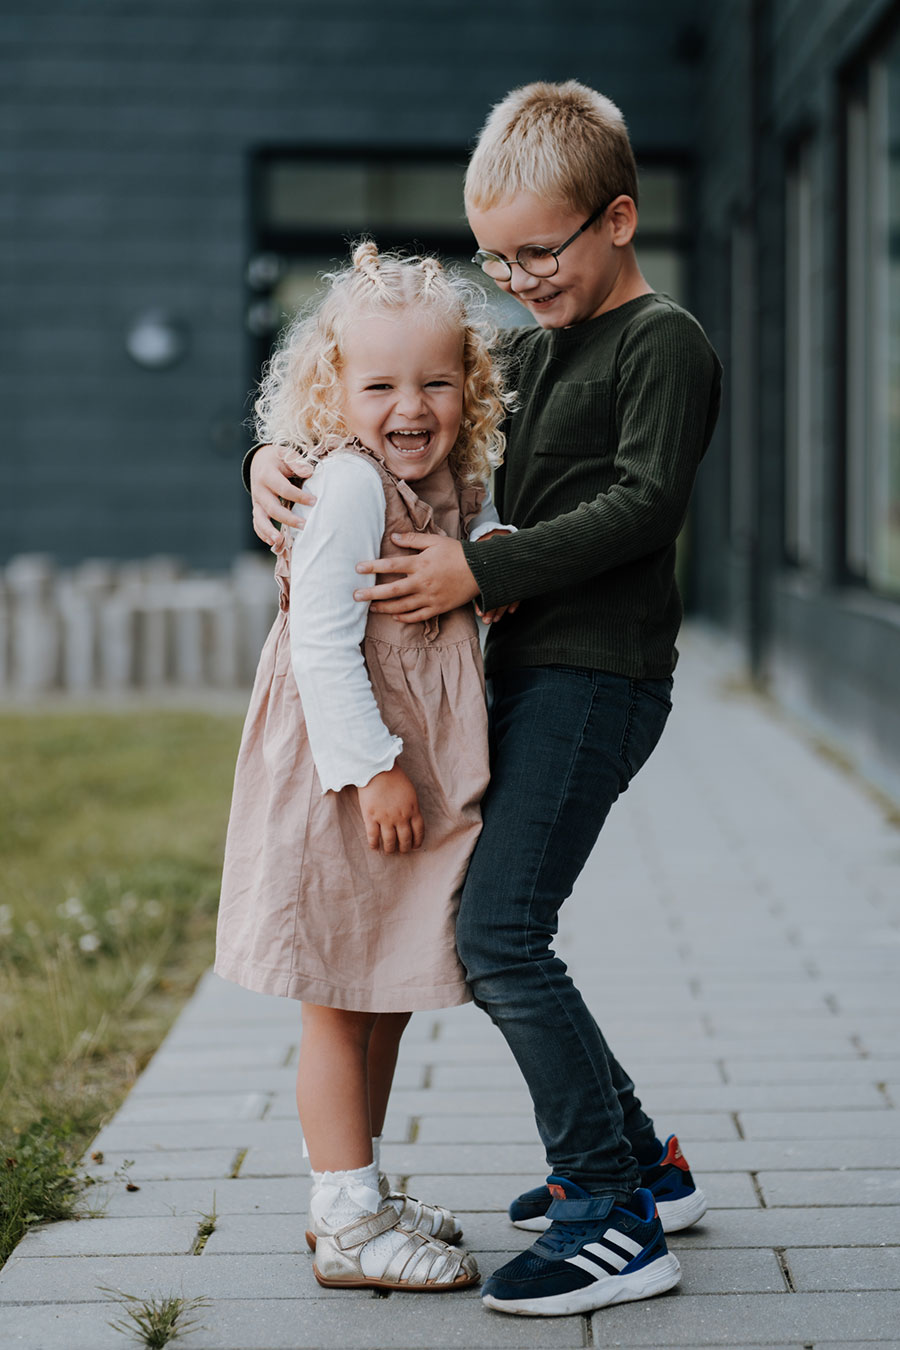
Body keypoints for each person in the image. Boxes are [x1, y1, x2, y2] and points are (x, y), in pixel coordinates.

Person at [246, 81, 722, 1319]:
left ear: (619, 219)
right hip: (529, 672)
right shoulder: (534, 344)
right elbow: (392, 411)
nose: (517, 280)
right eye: (498, 260)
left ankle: (609, 1211)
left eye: (539, 252)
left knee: (500, 934)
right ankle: (646, 1165)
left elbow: (644, 506)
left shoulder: (662, 341)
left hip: (599, 675)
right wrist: (271, 458)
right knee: (499, 928)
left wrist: (480, 570)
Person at [216, 241, 515, 1293]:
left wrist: (497, 556)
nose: (411, 408)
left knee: (381, 987)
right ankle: (344, 1220)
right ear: (333, 392)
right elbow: (320, 646)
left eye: (436, 382)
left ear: (469, 385)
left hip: (399, 774)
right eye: (380, 386)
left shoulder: (451, 478)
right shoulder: (347, 484)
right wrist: (375, 770)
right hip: (348, 780)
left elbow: (483, 532)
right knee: (341, 1004)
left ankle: (356, 1190)